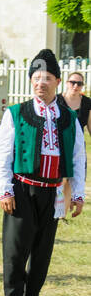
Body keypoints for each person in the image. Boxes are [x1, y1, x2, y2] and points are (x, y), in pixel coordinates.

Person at [0, 50, 86, 296]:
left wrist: (78, 193)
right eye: (36, 78)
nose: (40, 83)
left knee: (42, 252)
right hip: (22, 189)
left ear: (57, 81)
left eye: (46, 78)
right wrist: (5, 189)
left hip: (53, 193)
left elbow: (78, 157)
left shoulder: (69, 118)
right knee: (15, 250)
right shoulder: (17, 113)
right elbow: (3, 152)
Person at [58, 70, 90, 220]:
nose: (75, 86)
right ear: (66, 83)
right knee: (61, 178)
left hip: (77, 146)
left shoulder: (87, 103)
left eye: (79, 83)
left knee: (72, 178)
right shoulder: (57, 100)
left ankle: (63, 212)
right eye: (72, 82)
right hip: (59, 143)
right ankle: (59, 210)